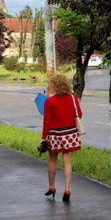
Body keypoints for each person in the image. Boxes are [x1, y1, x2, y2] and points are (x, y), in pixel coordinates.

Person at [40, 74, 82, 202]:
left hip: (55, 135)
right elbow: (79, 114)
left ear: (52, 86)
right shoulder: (73, 98)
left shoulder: (49, 101)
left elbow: (46, 121)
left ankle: (52, 187)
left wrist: (43, 138)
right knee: (67, 161)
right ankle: (67, 189)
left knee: (52, 160)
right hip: (70, 133)